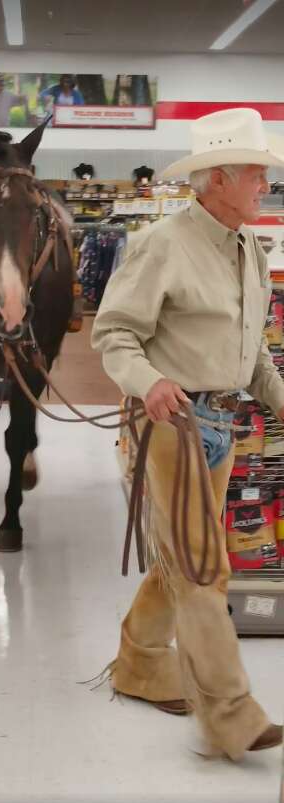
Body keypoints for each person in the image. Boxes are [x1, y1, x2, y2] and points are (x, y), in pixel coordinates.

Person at [91, 107, 284, 761]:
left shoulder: (248, 251)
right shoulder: (159, 244)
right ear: (221, 178)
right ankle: (231, 715)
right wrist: (148, 382)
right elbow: (113, 334)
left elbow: (253, 355)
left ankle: (140, 663)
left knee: (183, 562)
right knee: (205, 568)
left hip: (221, 423)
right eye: (258, 176)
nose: (265, 186)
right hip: (165, 423)